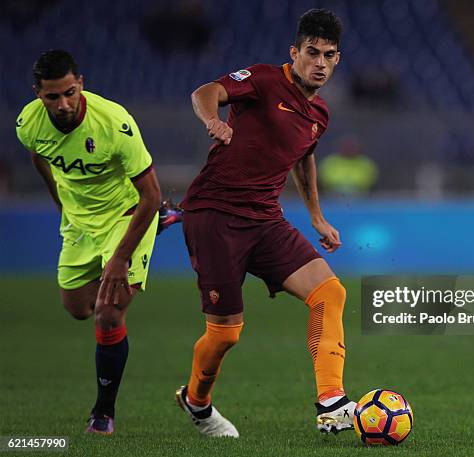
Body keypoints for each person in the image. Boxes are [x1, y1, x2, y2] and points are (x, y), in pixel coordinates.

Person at [176, 9, 355, 438]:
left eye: (328, 55)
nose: (319, 63)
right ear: (294, 52)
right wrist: (213, 120)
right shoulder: (262, 79)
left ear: (337, 60)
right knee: (226, 334)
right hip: (215, 214)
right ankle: (197, 402)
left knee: (330, 292)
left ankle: (332, 401)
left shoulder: (320, 114)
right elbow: (206, 91)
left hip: (265, 220)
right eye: (311, 52)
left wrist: (316, 215)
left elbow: (304, 155)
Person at [15, 49, 179, 435]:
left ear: (81, 84)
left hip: (127, 214)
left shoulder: (114, 124)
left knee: (108, 312)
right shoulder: (29, 124)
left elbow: (151, 195)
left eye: (70, 93)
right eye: (52, 97)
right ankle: (156, 227)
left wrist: (120, 258)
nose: (63, 104)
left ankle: (103, 413)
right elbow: (40, 157)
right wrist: (62, 205)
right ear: (38, 94)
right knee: (78, 309)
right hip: (79, 223)